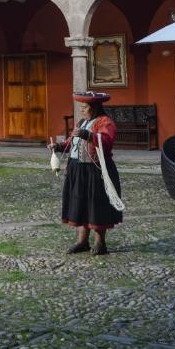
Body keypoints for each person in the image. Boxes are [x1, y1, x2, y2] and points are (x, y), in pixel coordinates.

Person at [49, 91, 122, 255]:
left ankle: (100, 243)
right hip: (77, 169)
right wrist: (59, 147)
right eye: (81, 107)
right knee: (80, 203)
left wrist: (88, 135)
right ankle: (82, 242)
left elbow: (107, 141)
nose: (82, 110)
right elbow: (72, 142)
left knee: (96, 205)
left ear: (95, 107)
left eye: (85, 107)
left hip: (95, 170)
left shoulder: (105, 122)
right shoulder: (82, 122)